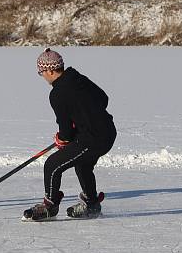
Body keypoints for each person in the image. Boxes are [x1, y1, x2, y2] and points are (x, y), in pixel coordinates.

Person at [23, 48, 116, 221]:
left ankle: (50, 207)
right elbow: (103, 99)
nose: (42, 76)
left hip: (92, 138)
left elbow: (65, 131)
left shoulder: (57, 94)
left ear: (50, 70)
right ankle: (92, 204)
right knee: (83, 164)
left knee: (52, 165)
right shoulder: (78, 78)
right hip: (108, 132)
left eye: (41, 72)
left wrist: (62, 138)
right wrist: (84, 117)